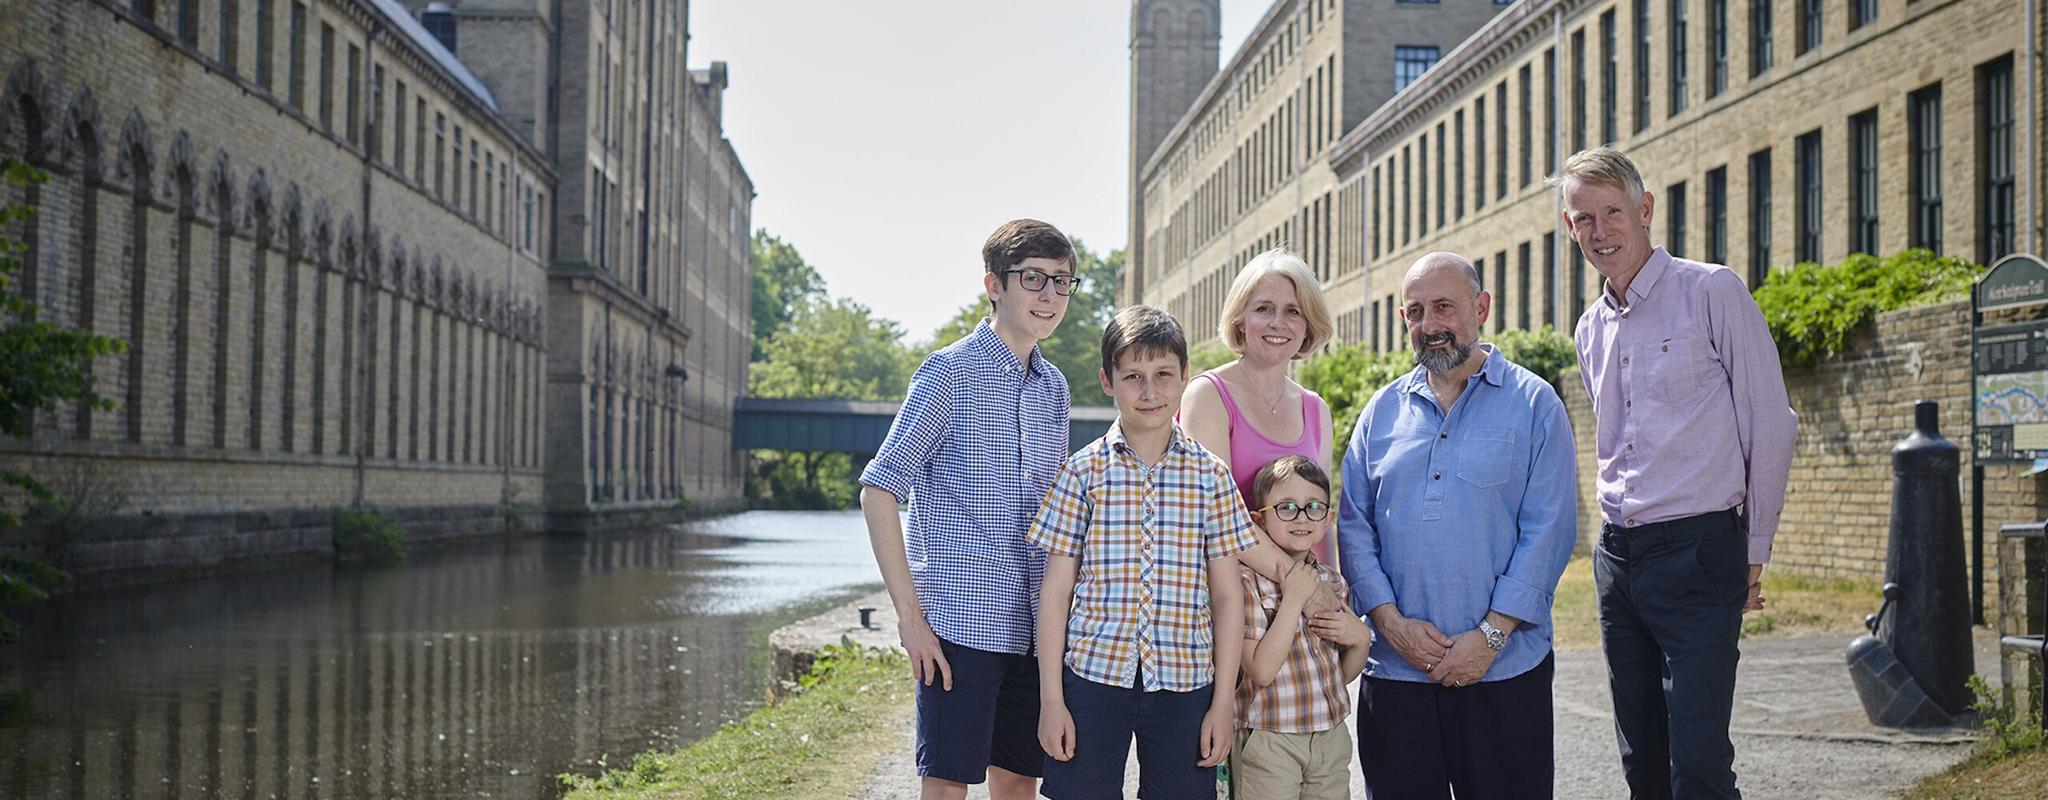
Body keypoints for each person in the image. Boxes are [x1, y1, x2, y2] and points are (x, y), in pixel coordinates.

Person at [1552, 146, 1797, 799]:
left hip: (1699, 550)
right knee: (1642, 763)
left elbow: (1771, 422)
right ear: (1569, 228)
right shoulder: (1588, 329)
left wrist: (1754, 550)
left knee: (1698, 766)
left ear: (1645, 210)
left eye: (1613, 213)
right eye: (1583, 220)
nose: (1600, 232)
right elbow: (1610, 443)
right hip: (1617, 559)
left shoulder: (1711, 290)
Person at [1337, 253, 1579, 799]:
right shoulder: (1380, 413)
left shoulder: (1534, 404)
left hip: (1505, 669)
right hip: (1397, 675)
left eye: (1444, 307)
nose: (1430, 326)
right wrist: (1392, 625)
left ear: (1481, 307)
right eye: (1415, 312)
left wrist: (1490, 636)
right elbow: (1354, 527)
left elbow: (1551, 528)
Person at [858, 219, 1081, 800]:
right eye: (1033, 279)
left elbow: (1054, 508)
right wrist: (910, 621)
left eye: (1062, 282)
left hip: (1033, 625)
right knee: (948, 785)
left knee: (1018, 783)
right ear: (994, 285)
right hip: (960, 623)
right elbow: (879, 491)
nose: (1049, 296)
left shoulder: (1053, 386)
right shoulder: (948, 372)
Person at [1030, 305, 1255, 800]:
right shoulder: (1081, 473)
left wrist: (1222, 704)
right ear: (1108, 381)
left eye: (1162, 375)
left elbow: (1226, 596)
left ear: (1184, 378)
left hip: (1186, 680)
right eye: (1132, 376)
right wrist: (1051, 699)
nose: (1149, 391)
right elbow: (1055, 591)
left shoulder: (1211, 477)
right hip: (1092, 675)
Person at [1181, 248, 1339, 563]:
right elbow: (1217, 518)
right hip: (1226, 600)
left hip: (1300, 604)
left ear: (1308, 324)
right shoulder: (1207, 396)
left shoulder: (1316, 410)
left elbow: (1318, 522)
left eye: (1293, 311)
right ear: (1240, 321)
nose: (1277, 323)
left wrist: (1330, 590)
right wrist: (1302, 586)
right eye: (1264, 309)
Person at [1234, 455, 1372, 800]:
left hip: (1329, 736)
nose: (1301, 517)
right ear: (1258, 520)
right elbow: (1261, 671)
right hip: (1270, 737)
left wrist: (1361, 641)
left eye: (1313, 507)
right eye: (1286, 507)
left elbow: (1337, 676)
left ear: (1328, 520)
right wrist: (1294, 599)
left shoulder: (1333, 584)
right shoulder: (1246, 582)